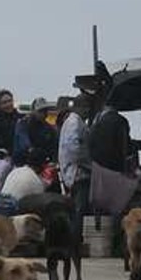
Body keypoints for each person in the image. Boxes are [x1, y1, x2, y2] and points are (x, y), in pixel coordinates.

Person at [59, 94, 93, 232]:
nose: (88, 111)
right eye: (87, 108)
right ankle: (75, 242)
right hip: (78, 172)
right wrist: (88, 164)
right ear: (80, 107)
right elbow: (74, 147)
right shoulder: (75, 122)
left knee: (77, 208)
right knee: (80, 209)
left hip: (73, 171)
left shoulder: (71, 121)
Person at [13, 96, 59, 169]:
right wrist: (31, 149)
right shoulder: (23, 123)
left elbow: (54, 145)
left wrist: (53, 159)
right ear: (33, 111)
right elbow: (23, 139)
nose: (43, 114)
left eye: (45, 111)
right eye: (40, 111)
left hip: (43, 164)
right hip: (22, 163)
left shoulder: (50, 128)